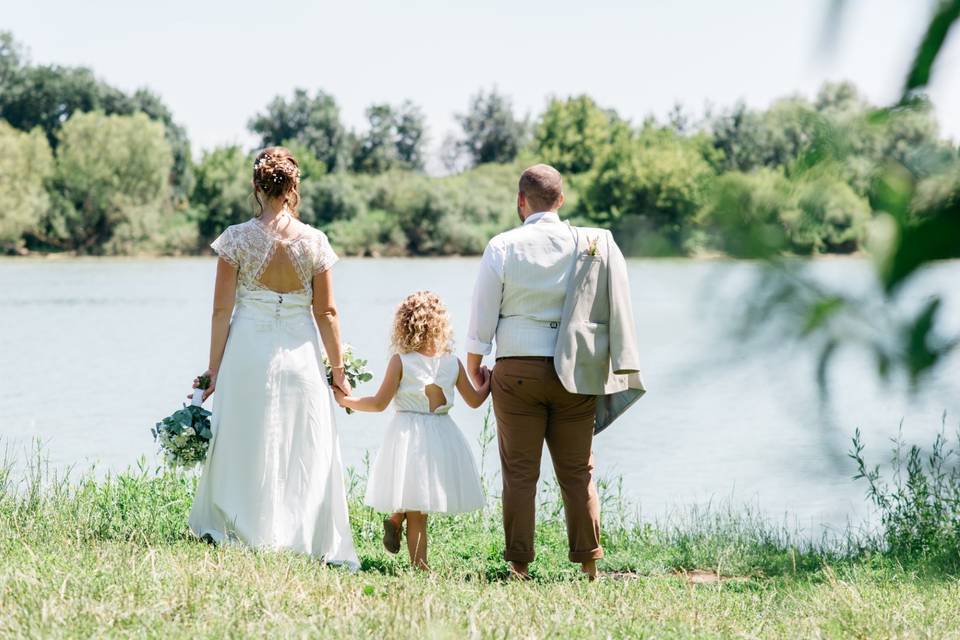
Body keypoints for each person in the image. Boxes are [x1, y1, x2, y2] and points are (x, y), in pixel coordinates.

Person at [466, 164, 645, 580]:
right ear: (560, 201)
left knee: (519, 473)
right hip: (575, 369)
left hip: (517, 370)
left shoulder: (502, 246)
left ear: (521, 201)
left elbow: (482, 316)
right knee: (578, 472)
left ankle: (520, 566)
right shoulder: (590, 244)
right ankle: (588, 565)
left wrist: (475, 366)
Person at [187, 146, 359, 570]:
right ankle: (302, 532)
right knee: (304, 441)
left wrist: (214, 370)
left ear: (256, 187)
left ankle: (243, 526)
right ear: (294, 188)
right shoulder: (315, 242)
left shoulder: (236, 239)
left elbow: (221, 311)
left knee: (247, 436)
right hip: (301, 353)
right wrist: (339, 373)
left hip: (248, 350)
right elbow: (327, 313)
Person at [335, 291, 489, 571]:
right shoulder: (451, 362)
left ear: (404, 324)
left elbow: (379, 403)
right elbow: (475, 401)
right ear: (441, 324)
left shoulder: (401, 361)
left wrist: (345, 400)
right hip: (442, 436)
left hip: (408, 435)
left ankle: (415, 556)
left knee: (415, 505)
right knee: (421, 501)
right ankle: (410, 545)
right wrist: (488, 382)